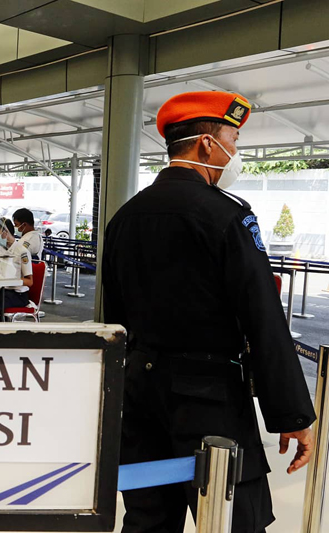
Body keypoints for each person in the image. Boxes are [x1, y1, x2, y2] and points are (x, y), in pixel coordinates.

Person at [102, 91, 315, 533]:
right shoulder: (227, 215)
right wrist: (292, 414)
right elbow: (262, 316)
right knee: (234, 520)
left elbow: (116, 316)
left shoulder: (125, 216)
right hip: (210, 402)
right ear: (206, 144)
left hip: (140, 396)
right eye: (232, 139)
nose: (235, 152)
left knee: (147, 520)